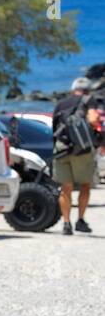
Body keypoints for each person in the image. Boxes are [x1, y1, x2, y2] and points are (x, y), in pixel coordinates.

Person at [51, 77, 100, 235]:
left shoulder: (61, 103)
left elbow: (54, 127)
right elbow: (93, 119)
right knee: (85, 185)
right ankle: (80, 219)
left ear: (73, 89)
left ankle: (66, 223)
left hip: (61, 148)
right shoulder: (89, 100)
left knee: (66, 187)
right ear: (88, 90)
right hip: (82, 150)